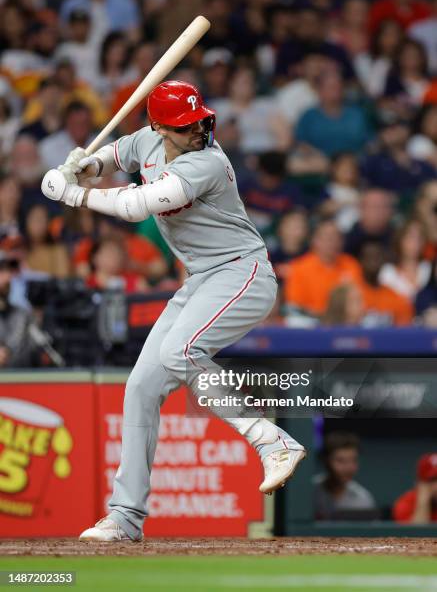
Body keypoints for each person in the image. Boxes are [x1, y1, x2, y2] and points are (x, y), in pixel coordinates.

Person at [41, 80, 306, 542]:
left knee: (180, 352)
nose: (199, 129)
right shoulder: (147, 140)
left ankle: (273, 441)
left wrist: (76, 194)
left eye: (202, 120)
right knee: (141, 386)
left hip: (241, 271)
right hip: (200, 278)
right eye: (186, 125)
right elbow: (118, 155)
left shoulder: (208, 161)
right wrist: (88, 164)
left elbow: (135, 204)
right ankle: (125, 517)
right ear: (159, 126)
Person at [284, 219, 363, 319]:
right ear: (315, 240)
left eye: (336, 238)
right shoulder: (298, 267)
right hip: (312, 322)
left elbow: (358, 300)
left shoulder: (351, 264)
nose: (332, 242)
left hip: (344, 322)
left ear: (342, 242)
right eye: (327, 238)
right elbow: (295, 306)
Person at [314, 431, 377, 520]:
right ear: (326, 461)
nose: (349, 468)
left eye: (353, 460)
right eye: (341, 460)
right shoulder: (309, 491)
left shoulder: (363, 499)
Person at [393, 453, 437, 523]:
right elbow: (415, 532)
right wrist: (423, 502)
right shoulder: (406, 503)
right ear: (418, 484)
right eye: (432, 480)